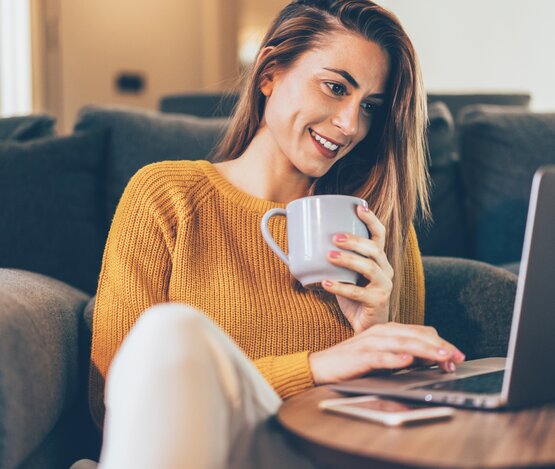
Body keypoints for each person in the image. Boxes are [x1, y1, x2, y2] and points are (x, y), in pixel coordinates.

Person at [76, 1, 466, 467]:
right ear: (270, 74)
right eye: (335, 87)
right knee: (170, 332)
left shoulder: (376, 227)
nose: (349, 124)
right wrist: (316, 367)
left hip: (319, 456)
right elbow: (114, 402)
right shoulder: (168, 197)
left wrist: (373, 332)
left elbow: (396, 429)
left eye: (369, 106)